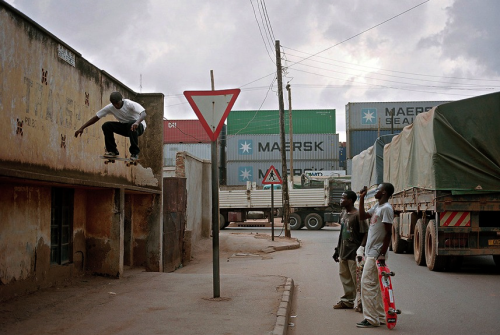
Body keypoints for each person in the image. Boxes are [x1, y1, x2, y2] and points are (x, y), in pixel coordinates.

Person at [356, 183, 394, 328]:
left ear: (384, 193)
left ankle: (371, 319)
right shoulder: (377, 207)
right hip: (371, 252)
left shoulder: (386, 209)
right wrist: (361, 198)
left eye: (378, 190)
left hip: (376, 254)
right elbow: (362, 216)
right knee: (375, 287)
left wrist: (382, 253)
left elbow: (389, 233)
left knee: (367, 285)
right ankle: (380, 316)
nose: (375, 192)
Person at [74, 92, 146, 161]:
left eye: (117, 103)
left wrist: (137, 122)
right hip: (126, 128)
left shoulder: (129, 104)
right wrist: (82, 128)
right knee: (106, 125)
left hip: (139, 126)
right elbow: (96, 117)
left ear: (121, 100)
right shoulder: (110, 107)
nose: (116, 106)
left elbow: (143, 114)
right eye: (113, 104)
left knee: (131, 123)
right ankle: (112, 151)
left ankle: (135, 153)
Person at [332, 190, 368, 311]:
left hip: (354, 253)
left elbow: (365, 233)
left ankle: (362, 303)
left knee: (357, 280)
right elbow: (342, 234)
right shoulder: (343, 214)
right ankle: (347, 301)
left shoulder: (358, 215)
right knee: (345, 278)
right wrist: (337, 250)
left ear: (351, 200)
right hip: (343, 252)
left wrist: (361, 249)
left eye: (344, 198)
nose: (341, 200)